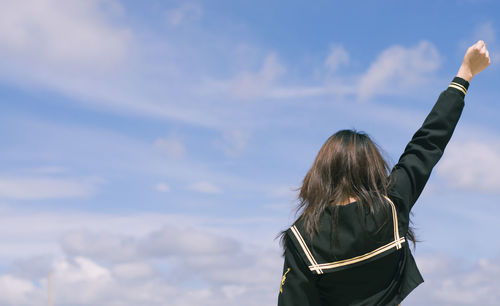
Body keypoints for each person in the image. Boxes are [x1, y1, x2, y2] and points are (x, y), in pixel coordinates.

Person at [277, 40, 491, 306]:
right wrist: (465, 74)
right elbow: (426, 144)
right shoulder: (392, 204)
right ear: (373, 169)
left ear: (321, 174)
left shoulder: (302, 238)